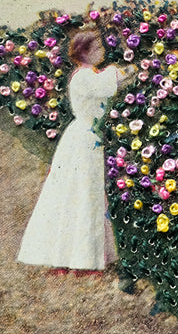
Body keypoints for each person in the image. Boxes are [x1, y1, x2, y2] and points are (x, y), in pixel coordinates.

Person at [17, 30, 123, 273]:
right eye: (97, 47)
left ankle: (73, 258)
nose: (102, 51)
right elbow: (107, 88)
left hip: (81, 137)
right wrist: (121, 71)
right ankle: (81, 261)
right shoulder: (86, 76)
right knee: (84, 194)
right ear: (85, 52)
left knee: (76, 195)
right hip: (84, 140)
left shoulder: (87, 75)